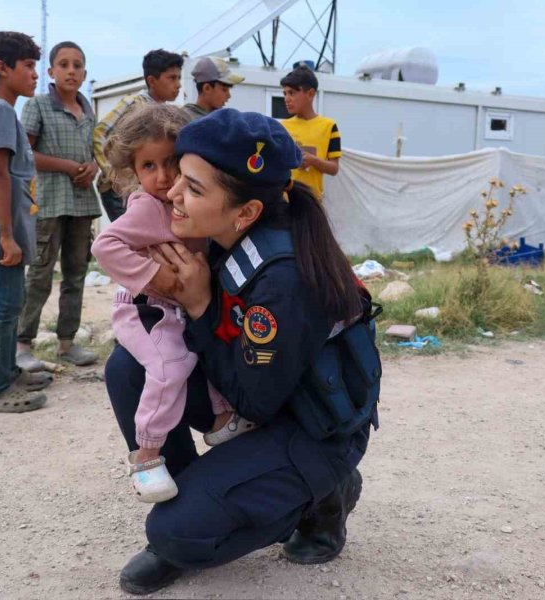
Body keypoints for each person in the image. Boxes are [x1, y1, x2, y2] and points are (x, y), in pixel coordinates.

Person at [104, 108, 380, 594]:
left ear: (246, 211)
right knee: (128, 366)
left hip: (308, 425)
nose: (170, 193)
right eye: (174, 177)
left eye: (191, 187)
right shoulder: (219, 235)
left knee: (173, 534)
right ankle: (197, 499)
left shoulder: (282, 277)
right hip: (261, 391)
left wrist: (199, 303)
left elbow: (255, 401)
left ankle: (323, 499)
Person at [91, 104, 255, 503]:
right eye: (149, 167)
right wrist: (157, 276)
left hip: (179, 307)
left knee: (200, 350)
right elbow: (105, 245)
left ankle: (221, 418)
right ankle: (147, 455)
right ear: (133, 170)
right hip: (147, 307)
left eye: (172, 164)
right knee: (170, 365)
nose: (163, 177)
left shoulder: (192, 201)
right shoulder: (148, 207)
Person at [0, 31, 53, 413]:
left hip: (11, 221)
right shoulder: (0, 111)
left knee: (12, 299)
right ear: (3, 68)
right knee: (4, 305)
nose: (35, 74)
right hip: (3, 224)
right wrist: (6, 235)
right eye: (29, 66)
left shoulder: (1, 111)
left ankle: (7, 370)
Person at [15, 41, 100, 370]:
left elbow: (94, 152)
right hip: (49, 202)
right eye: (63, 64)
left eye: (77, 65)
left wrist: (92, 166)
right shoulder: (37, 106)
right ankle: (23, 343)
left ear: (84, 73)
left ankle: (67, 342)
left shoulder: (87, 109)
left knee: (76, 274)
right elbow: (26, 154)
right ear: (51, 72)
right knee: (39, 274)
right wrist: (67, 166)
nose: (71, 70)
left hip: (81, 203)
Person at [93, 49, 184, 222]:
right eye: (172, 78)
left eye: (179, 77)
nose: (178, 84)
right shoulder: (133, 103)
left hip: (147, 184)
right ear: (152, 80)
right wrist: (112, 174)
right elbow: (99, 132)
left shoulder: (167, 113)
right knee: (133, 235)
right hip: (119, 190)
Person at [279, 66, 342, 201]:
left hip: (312, 201)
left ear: (310, 94)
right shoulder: (282, 126)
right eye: (285, 94)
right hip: (284, 201)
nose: (286, 98)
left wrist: (313, 160)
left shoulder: (329, 126)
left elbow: (334, 168)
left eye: (292, 93)